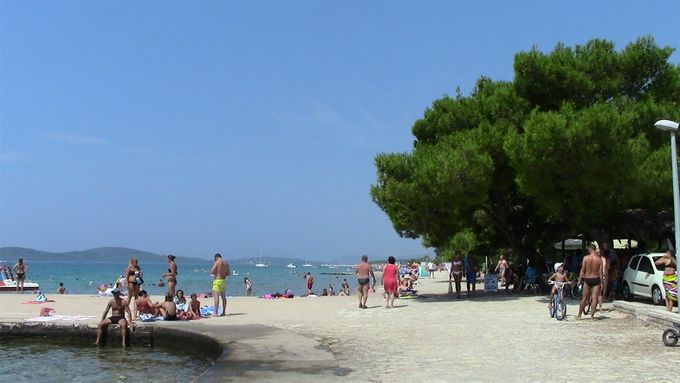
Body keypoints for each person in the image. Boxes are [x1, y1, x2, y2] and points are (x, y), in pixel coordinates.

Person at [577, 244, 603, 320]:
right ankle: (592, 316)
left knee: (584, 298)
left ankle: (579, 315)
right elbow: (600, 273)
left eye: (588, 249)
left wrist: (579, 280)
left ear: (590, 249)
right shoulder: (599, 259)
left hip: (587, 279)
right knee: (594, 298)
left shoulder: (586, 258)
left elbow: (582, 270)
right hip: (596, 279)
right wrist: (601, 283)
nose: (588, 251)